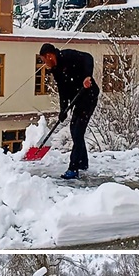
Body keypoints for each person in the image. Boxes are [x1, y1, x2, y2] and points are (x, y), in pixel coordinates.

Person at [40, 43, 100, 180]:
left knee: (78, 131)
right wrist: (63, 110)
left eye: (44, 60)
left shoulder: (68, 56)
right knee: (74, 130)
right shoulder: (56, 70)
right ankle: (83, 163)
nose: (44, 64)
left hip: (88, 96)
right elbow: (63, 91)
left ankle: (73, 168)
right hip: (78, 100)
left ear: (49, 56)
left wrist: (87, 76)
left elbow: (88, 58)